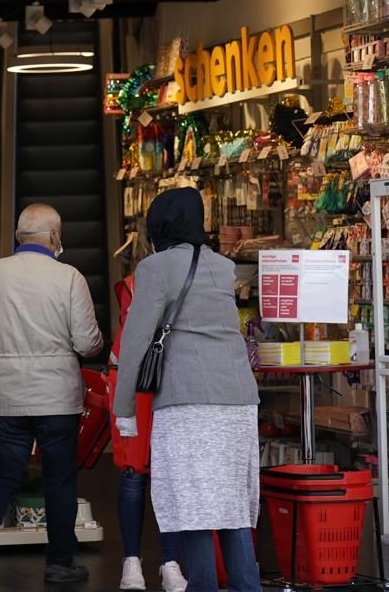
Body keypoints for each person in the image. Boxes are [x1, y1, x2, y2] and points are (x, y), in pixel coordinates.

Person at [112, 187, 261, 592]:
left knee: (191, 504)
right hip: (238, 400)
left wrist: (123, 410)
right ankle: (248, 585)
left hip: (187, 402)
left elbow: (134, 343)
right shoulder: (222, 266)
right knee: (231, 506)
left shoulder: (156, 268)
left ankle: (204, 586)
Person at [0, 203, 104, 590]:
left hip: (6, 392)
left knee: (2, 474)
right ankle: (59, 564)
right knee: (59, 481)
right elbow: (87, 343)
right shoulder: (69, 277)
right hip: (57, 396)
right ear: (55, 237)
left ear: (19, 236)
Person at [106, 274, 185, 592]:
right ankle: (164, 563)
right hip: (166, 375)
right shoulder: (191, 276)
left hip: (132, 374)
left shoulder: (132, 283)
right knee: (162, 473)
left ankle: (136, 563)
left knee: (135, 472)